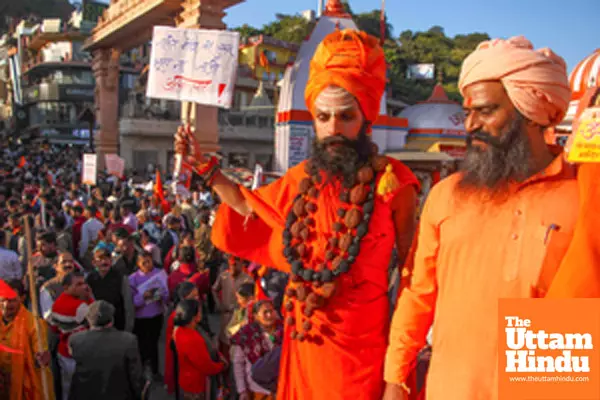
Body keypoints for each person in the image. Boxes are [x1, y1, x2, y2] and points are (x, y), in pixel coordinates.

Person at [177, 29, 418, 399]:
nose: (334, 128)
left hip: (367, 350)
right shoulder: (300, 179)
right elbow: (247, 205)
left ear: (365, 117)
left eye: (346, 116)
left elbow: (411, 275)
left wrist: (399, 370)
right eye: (324, 117)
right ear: (314, 121)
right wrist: (206, 169)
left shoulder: (394, 184)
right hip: (306, 337)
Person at [382, 36, 576, 400]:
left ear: (530, 111)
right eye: (467, 111)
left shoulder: (582, 195)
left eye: (486, 111)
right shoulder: (447, 196)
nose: (470, 124)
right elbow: (417, 297)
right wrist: (395, 381)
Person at [68, 300, 146, 400]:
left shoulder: (75, 340)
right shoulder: (128, 341)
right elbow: (135, 376)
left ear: (88, 319)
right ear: (112, 319)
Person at [0, 279, 54, 400]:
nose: (6, 305)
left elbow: (39, 351)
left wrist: (41, 358)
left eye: (12, 300)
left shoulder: (34, 324)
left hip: (24, 385)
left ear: (22, 298)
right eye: (2, 300)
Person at [47, 271, 94, 400]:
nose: (83, 287)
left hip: (64, 352)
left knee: (67, 388)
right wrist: (89, 297)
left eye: (84, 283)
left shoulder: (57, 303)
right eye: (78, 284)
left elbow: (54, 328)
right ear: (66, 287)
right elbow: (97, 318)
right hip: (78, 354)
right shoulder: (80, 306)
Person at [173, 299, 226, 400]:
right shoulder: (192, 338)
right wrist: (221, 366)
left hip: (186, 379)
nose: (202, 313)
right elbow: (206, 366)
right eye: (200, 311)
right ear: (194, 317)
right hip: (196, 384)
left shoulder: (180, 329)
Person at [231, 300, 282, 400]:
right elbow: (238, 363)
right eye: (265, 312)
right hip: (257, 391)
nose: (269, 315)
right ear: (255, 316)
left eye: (271, 311)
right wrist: (242, 390)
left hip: (281, 389)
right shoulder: (246, 334)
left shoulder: (284, 331)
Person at [129, 252, 169, 377]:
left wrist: (162, 294)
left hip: (156, 315)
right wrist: (143, 296)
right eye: (143, 262)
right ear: (138, 264)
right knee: (141, 344)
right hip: (140, 317)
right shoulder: (133, 279)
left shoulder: (159, 274)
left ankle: (155, 371)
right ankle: (141, 371)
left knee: (154, 344)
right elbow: (132, 302)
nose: (147, 265)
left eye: (149, 261)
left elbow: (167, 296)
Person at [212, 256, 253, 355]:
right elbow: (214, 289)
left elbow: (251, 298)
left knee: (236, 347)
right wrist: (219, 304)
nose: (233, 268)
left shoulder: (248, 279)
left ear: (241, 264)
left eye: (235, 265)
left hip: (239, 317)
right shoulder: (223, 276)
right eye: (230, 265)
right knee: (224, 344)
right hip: (225, 316)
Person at [86, 248, 135, 332]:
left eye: (106, 259)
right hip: (96, 325)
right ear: (94, 263)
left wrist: (128, 327)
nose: (104, 262)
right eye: (100, 259)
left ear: (111, 261)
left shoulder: (121, 278)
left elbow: (128, 303)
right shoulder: (89, 279)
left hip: (117, 324)